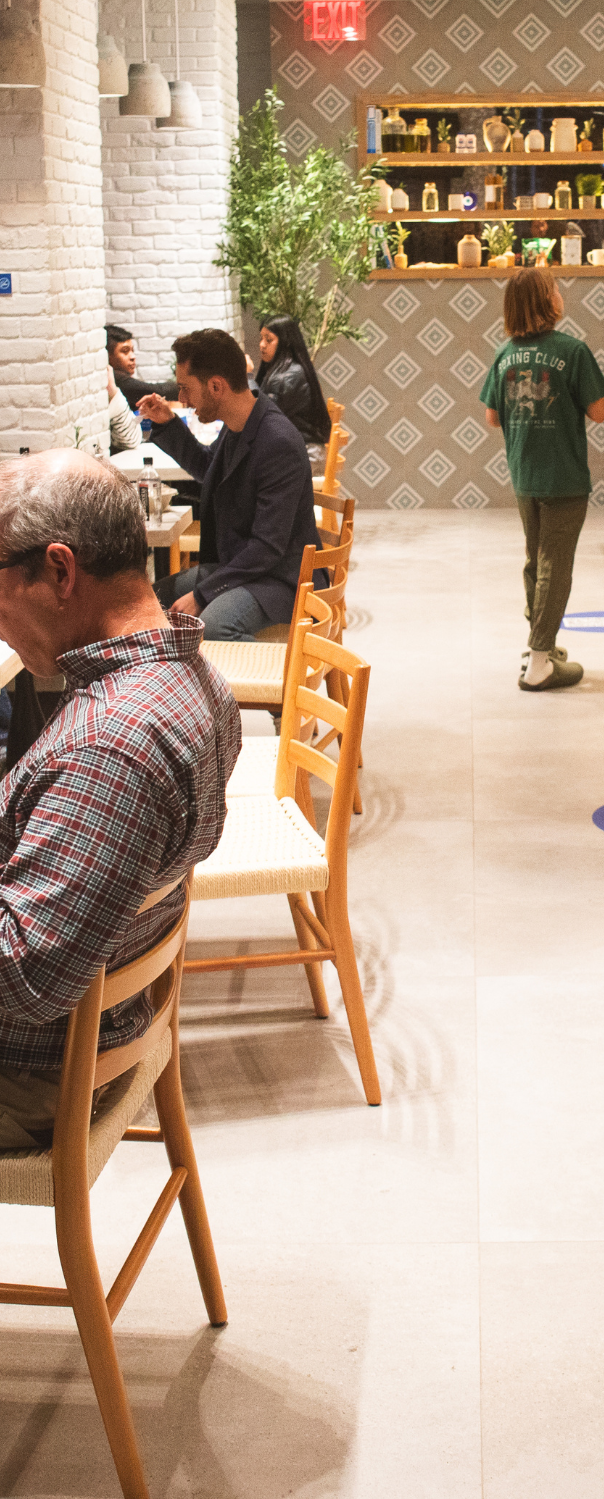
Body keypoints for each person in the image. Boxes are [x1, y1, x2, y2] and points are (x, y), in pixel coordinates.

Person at [0, 451, 239, 1149]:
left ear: (60, 570)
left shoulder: (108, 745)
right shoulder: (191, 680)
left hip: (30, 1071)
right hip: (97, 1022)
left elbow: (26, 976)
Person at [479, 265, 604, 692]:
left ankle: (540, 645)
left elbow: (491, 417)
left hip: (524, 474)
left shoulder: (503, 354)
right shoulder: (572, 351)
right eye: (555, 289)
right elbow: (599, 412)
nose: (560, 295)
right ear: (547, 302)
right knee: (556, 567)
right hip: (565, 476)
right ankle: (540, 663)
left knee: (536, 562)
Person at [140, 328, 321, 641]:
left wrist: (202, 594)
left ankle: (273, 674)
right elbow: (209, 468)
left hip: (284, 578)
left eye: (185, 388)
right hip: (246, 566)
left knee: (215, 625)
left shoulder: (277, 441)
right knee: (150, 601)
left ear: (215, 386)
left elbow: (268, 547)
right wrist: (169, 423)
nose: (182, 400)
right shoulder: (240, 424)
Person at [254, 314, 334, 451]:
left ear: (285, 342)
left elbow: (263, 420)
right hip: (296, 448)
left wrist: (248, 377)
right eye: (261, 338)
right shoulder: (282, 370)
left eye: (269, 340)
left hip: (305, 453)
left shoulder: (287, 376)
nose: (262, 345)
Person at [106, 323, 175, 410]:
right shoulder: (117, 380)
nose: (132, 357)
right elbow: (158, 390)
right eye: (125, 351)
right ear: (107, 356)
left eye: (132, 350)